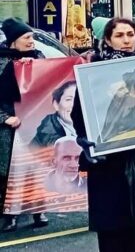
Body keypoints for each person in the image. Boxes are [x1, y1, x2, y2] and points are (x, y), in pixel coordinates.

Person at [71, 17, 135, 251]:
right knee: (113, 232)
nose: (126, 40)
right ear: (107, 39)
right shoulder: (93, 71)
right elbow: (80, 115)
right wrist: (86, 141)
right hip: (108, 162)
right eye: (119, 35)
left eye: (130, 34)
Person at [0, 18, 49, 232]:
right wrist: (4, 118)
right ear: (13, 42)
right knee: (9, 171)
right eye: (27, 38)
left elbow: (52, 85)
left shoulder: (39, 58)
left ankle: (39, 209)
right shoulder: (2, 62)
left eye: (32, 37)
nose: (32, 42)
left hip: (33, 120)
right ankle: (10, 213)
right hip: (9, 125)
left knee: (35, 167)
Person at [30, 80, 78, 147]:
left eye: (78, 99)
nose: (74, 105)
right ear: (56, 105)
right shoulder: (46, 137)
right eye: (68, 99)